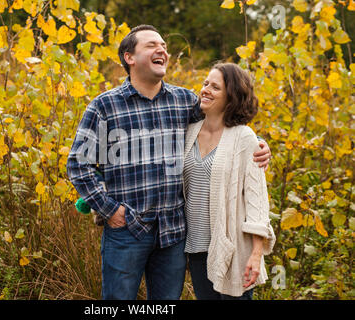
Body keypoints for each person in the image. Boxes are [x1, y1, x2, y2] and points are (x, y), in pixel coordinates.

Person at [67, 25, 271, 300]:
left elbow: (225, 124)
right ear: (129, 57)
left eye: (163, 45)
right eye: (151, 45)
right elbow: (79, 164)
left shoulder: (184, 101)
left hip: (172, 234)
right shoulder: (105, 106)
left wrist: (257, 143)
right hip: (127, 231)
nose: (162, 49)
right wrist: (109, 210)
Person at [183, 62, 276, 300]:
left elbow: (257, 202)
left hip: (235, 249)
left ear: (231, 97)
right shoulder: (189, 131)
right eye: (205, 84)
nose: (205, 90)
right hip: (196, 248)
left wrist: (256, 254)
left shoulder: (244, 137)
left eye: (215, 87)